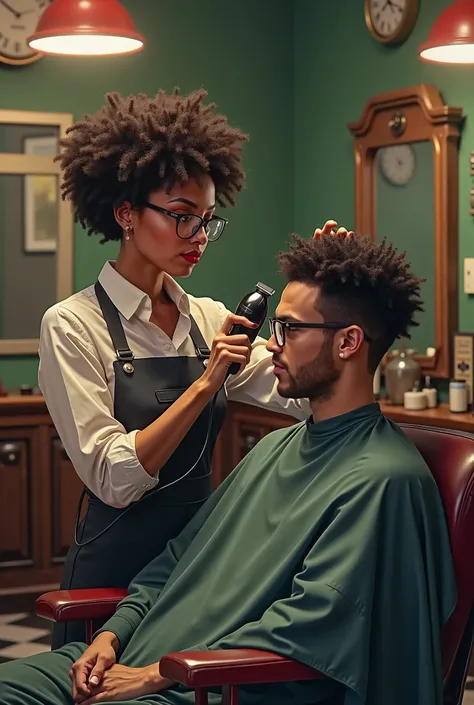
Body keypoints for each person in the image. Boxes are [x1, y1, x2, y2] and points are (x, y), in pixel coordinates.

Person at [2, 232, 455, 705]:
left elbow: (315, 620)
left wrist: (158, 674)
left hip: (207, 684)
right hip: (139, 646)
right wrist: (112, 635)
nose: (271, 346)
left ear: (348, 342)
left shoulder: (383, 480)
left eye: (289, 330)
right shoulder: (275, 448)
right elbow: (179, 557)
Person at [37, 85, 349, 647]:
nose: (199, 236)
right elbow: (113, 478)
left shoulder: (206, 319)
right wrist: (206, 383)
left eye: (207, 220)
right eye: (182, 217)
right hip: (109, 579)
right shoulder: (70, 326)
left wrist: (335, 285)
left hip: (197, 572)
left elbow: (302, 396)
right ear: (126, 213)